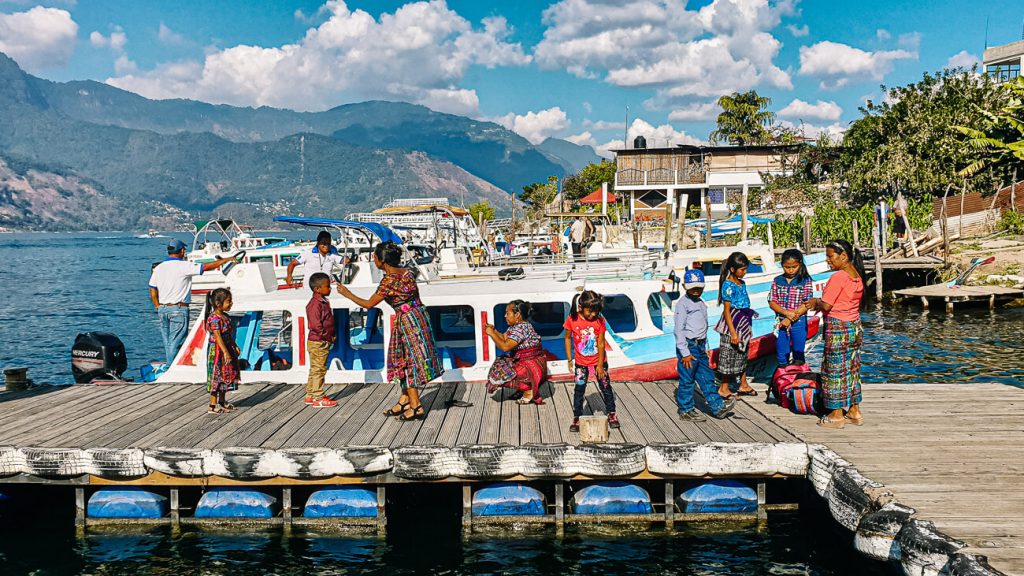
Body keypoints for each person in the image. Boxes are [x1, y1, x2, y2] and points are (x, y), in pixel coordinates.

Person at [336, 241, 443, 421]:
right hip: (420, 316)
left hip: (407, 321)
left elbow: (369, 304)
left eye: (375, 257)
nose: (373, 259)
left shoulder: (388, 281)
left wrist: (347, 293)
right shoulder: (408, 273)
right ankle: (404, 399)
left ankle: (416, 406)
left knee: (407, 361)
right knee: (404, 357)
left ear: (382, 261)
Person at [799, 239, 866, 429]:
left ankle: (836, 414)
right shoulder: (856, 276)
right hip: (854, 327)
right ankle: (854, 410)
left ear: (843, 256)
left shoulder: (838, 277)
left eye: (830, 256)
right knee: (852, 368)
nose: (828, 260)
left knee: (834, 369)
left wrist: (815, 302)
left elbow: (827, 305)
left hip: (838, 327)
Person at [149, 239, 238, 364]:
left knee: (168, 343)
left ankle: (171, 366)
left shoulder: (158, 268)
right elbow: (206, 267)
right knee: (175, 343)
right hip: (178, 309)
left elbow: (152, 289)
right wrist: (226, 260)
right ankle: (173, 370)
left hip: (163, 309)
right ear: (181, 251)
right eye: (183, 249)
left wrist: (157, 305)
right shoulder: (184, 265)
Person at [674, 269, 735, 421]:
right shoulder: (683, 305)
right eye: (692, 287)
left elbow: (703, 327)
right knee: (687, 380)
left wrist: (705, 347)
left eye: (699, 288)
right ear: (684, 286)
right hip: (689, 346)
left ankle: (717, 406)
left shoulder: (701, 303)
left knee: (707, 377)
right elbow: (679, 330)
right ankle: (686, 409)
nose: (696, 291)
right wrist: (685, 352)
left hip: (700, 346)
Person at [563, 290, 619, 432]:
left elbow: (601, 344)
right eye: (590, 311)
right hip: (581, 363)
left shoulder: (600, 321)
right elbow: (567, 338)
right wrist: (570, 359)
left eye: (595, 311)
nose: (593, 314)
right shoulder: (572, 319)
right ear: (581, 307)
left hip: (599, 361)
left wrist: (600, 366)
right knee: (579, 389)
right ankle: (577, 416)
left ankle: (612, 413)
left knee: (605, 387)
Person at [484, 300, 548, 405]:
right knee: (499, 364)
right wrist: (494, 330)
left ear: (517, 315)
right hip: (526, 362)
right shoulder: (516, 327)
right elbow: (504, 337)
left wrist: (491, 334)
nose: (505, 316)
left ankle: (529, 391)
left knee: (501, 375)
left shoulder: (521, 329)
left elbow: (505, 347)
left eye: (507, 313)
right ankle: (524, 388)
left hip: (531, 365)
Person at [714, 252, 758, 398]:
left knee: (742, 354)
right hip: (732, 323)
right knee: (729, 355)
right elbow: (727, 311)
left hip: (743, 322)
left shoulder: (742, 283)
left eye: (746, 269)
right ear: (732, 269)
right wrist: (733, 332)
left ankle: (743, 384)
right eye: (742, 270)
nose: (744, 273)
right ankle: (724, 387)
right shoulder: (728, 285)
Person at [768, 249, 814, 367]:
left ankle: (798, 379)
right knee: (782, 353)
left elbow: (807, 303)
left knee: (798, 353)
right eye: (787, 267)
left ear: (800, 264)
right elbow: (772, 302)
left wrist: (790, 317)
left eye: (794, 267)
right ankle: (783, 378)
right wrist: (786, 313)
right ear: (782, 265)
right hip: (781, 321)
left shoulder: (805, 280)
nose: (791, 270)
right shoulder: (777, 280)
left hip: (798, 321)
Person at [305, 272, 338, 408]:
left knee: (315, 369)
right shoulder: (315, 304)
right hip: (319, 341)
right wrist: (327, 336)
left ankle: (311, 394)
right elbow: (315, 325)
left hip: (321, 340)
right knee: (319, 369)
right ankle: (318, 397)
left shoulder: (323, 301)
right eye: (327, 286)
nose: (330, 289)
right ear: (317, 289)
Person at [205, 287, 239, 414]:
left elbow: (228, 335)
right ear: (218, 304)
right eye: (228, 301)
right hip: (217, 351)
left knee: (225, 374)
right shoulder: (214, 318)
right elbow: (218, 336)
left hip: (227, 347)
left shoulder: (225, 317)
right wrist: (225, 352)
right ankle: (212, 404)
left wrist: (234, 346)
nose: (231, 303)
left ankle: (222, 401)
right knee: (216, 376)